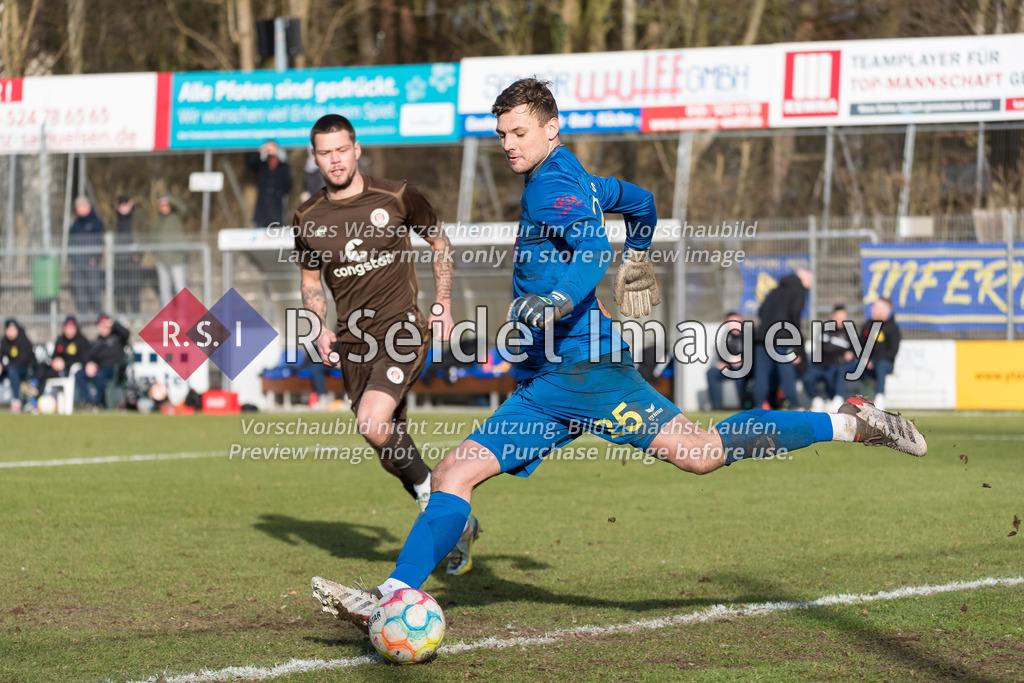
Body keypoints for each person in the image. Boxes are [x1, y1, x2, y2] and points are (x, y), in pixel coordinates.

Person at [309, 78, 928, 632]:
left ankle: (390, 595)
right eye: (502, 134)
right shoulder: (574, 175)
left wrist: (559, 294)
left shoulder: (553, 186)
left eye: (519, 132)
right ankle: (848, 423)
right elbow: (640, 201)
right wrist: (639, 254)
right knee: (698, 453)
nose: (508, 144)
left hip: (580, 377)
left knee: (457, 475)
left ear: (551, 128)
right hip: (570, 374)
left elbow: (588, 250)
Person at [292, 114, 479, 573]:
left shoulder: (395, 195)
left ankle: (435, 511)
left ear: (356, 150)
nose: (334, 160)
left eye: (341, 150)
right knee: (386, 443)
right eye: (324, 152)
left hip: (402, 329)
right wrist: (318, 325)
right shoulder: (307, 216)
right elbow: (311, 281)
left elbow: (439, 241)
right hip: (353, 344)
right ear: (314, 158)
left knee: (371, 422)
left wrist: (444, 304)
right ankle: (457, 519)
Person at [752, 268, 812, 410]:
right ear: (803, 278)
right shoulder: (798, 289)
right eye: (810, 280)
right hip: (782, 337)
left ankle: (759, 404)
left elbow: (760, 312)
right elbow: (795, 314)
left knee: (761, 374)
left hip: (762, 337)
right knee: (786, 371)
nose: (811, 284)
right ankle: (793, 403)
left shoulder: (775, 290)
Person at [802, 305, 856, 413]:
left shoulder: (849, 332)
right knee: (807, 378)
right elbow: (824, 349)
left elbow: (854, 352)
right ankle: (817, 401)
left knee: (836, 374)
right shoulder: (824, 328)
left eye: (843, 317)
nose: (841, 320)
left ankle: (835, 401)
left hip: (836, 366)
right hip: (821, 365)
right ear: (832, 316)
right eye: (838, 317)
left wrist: (844, 356)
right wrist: (840, 355)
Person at [76, 314, 130, 409]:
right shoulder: (97, 342)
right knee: (79, 374)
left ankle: (98, 403)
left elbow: (126, 333)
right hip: (100, 368)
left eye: (106, 326)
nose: (103, 328)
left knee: (100, 375)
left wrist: (114, 324)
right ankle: (88, 402)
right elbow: (86, 356)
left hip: (115, 370)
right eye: (101, 325)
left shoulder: (117, 337)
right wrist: (89, 364)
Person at [856, 298, 901, 411]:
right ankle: (856, 399)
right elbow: (859, 346)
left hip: (884, 363)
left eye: (875, 307)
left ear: (885, 310)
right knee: (850, 366)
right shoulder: (867, 325)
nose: (872, 310)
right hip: (867, 362)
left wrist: (873, 360)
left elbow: (892, 351)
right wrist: (864, 358)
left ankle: (880, 398)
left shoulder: (892, 328)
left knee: (881, 365)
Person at [705, 311, 752, 410]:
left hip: (747, 368)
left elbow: (755, 355)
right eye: (730, 322)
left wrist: (742, 361)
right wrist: (724, 363)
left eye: (736, 321)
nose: (733, 324)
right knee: (711, 372)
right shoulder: (726, 335)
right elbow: (722, 353)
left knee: (739, 370)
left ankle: (743, 404)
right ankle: (717, 405)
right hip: (730, 367)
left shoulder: (749, 333)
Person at [68, 196, 105, 317]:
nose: (78, 209)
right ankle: (83, 315)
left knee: (94, 288)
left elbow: (100, 242)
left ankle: (98, 314)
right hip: (77, 262)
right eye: (77, 207)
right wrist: (72, 258)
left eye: (81, 206)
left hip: (91, 262)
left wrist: (95, 257)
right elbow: (70, 242)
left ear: (87, 207)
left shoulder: (96, 222)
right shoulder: (75, 224)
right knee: (80, 290)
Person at [35, 315, 90, 395]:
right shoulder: (61, 340)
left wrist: (64, 363)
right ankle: (35, 389)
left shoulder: (82, 341)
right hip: (57, 369)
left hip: (70, 371)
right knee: (42, 368)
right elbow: (54, 356)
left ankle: (37, 394)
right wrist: (55, 362)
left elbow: (83, 359)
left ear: (76, 328)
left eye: (71, 328)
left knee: (46, 374)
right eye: (67, 328)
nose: (69, 330)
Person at [151, 193, 188, 306]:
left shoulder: (177, 217)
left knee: (180, 288)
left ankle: (183, 316)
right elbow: (154, 237)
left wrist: (170, 199)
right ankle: (166, 315)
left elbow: (184, 209)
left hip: (176, 258)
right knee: (164, 290)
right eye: (161, 205)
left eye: (166, 204)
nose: (163, 207)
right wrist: (154, 252)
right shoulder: (158, 220)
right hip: (162, 259)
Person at [248, 140, 293, 227]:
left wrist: (279, 192)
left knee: (276, 234)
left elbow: (288, 184)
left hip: (276, 208)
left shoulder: (283, 167)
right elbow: (251, 164)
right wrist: (262, 150)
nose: (272, 159)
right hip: (262, 208)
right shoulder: (262, 165)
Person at [113, 195, 142, 315]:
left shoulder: (138, 218)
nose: (123, 207)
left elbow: (144, 236)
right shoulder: (114, 218)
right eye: (121, 204)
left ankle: (135, 313)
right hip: (119, 259)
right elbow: (108, 234)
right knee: (120, 288)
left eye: (126, 204)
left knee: (133, 287)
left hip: (133, 258)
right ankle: (122, 313)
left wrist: (139, 253)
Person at [1, 318, 35, 413]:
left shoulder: (24, 340)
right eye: (9, 330)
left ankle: (16, 401)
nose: (11, 332)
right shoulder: (4, 341)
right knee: (10, 370)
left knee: (12, 370)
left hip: (24, 370)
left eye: (13, 329)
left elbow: (22, 361)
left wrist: (3, 366)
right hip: (10, 369)